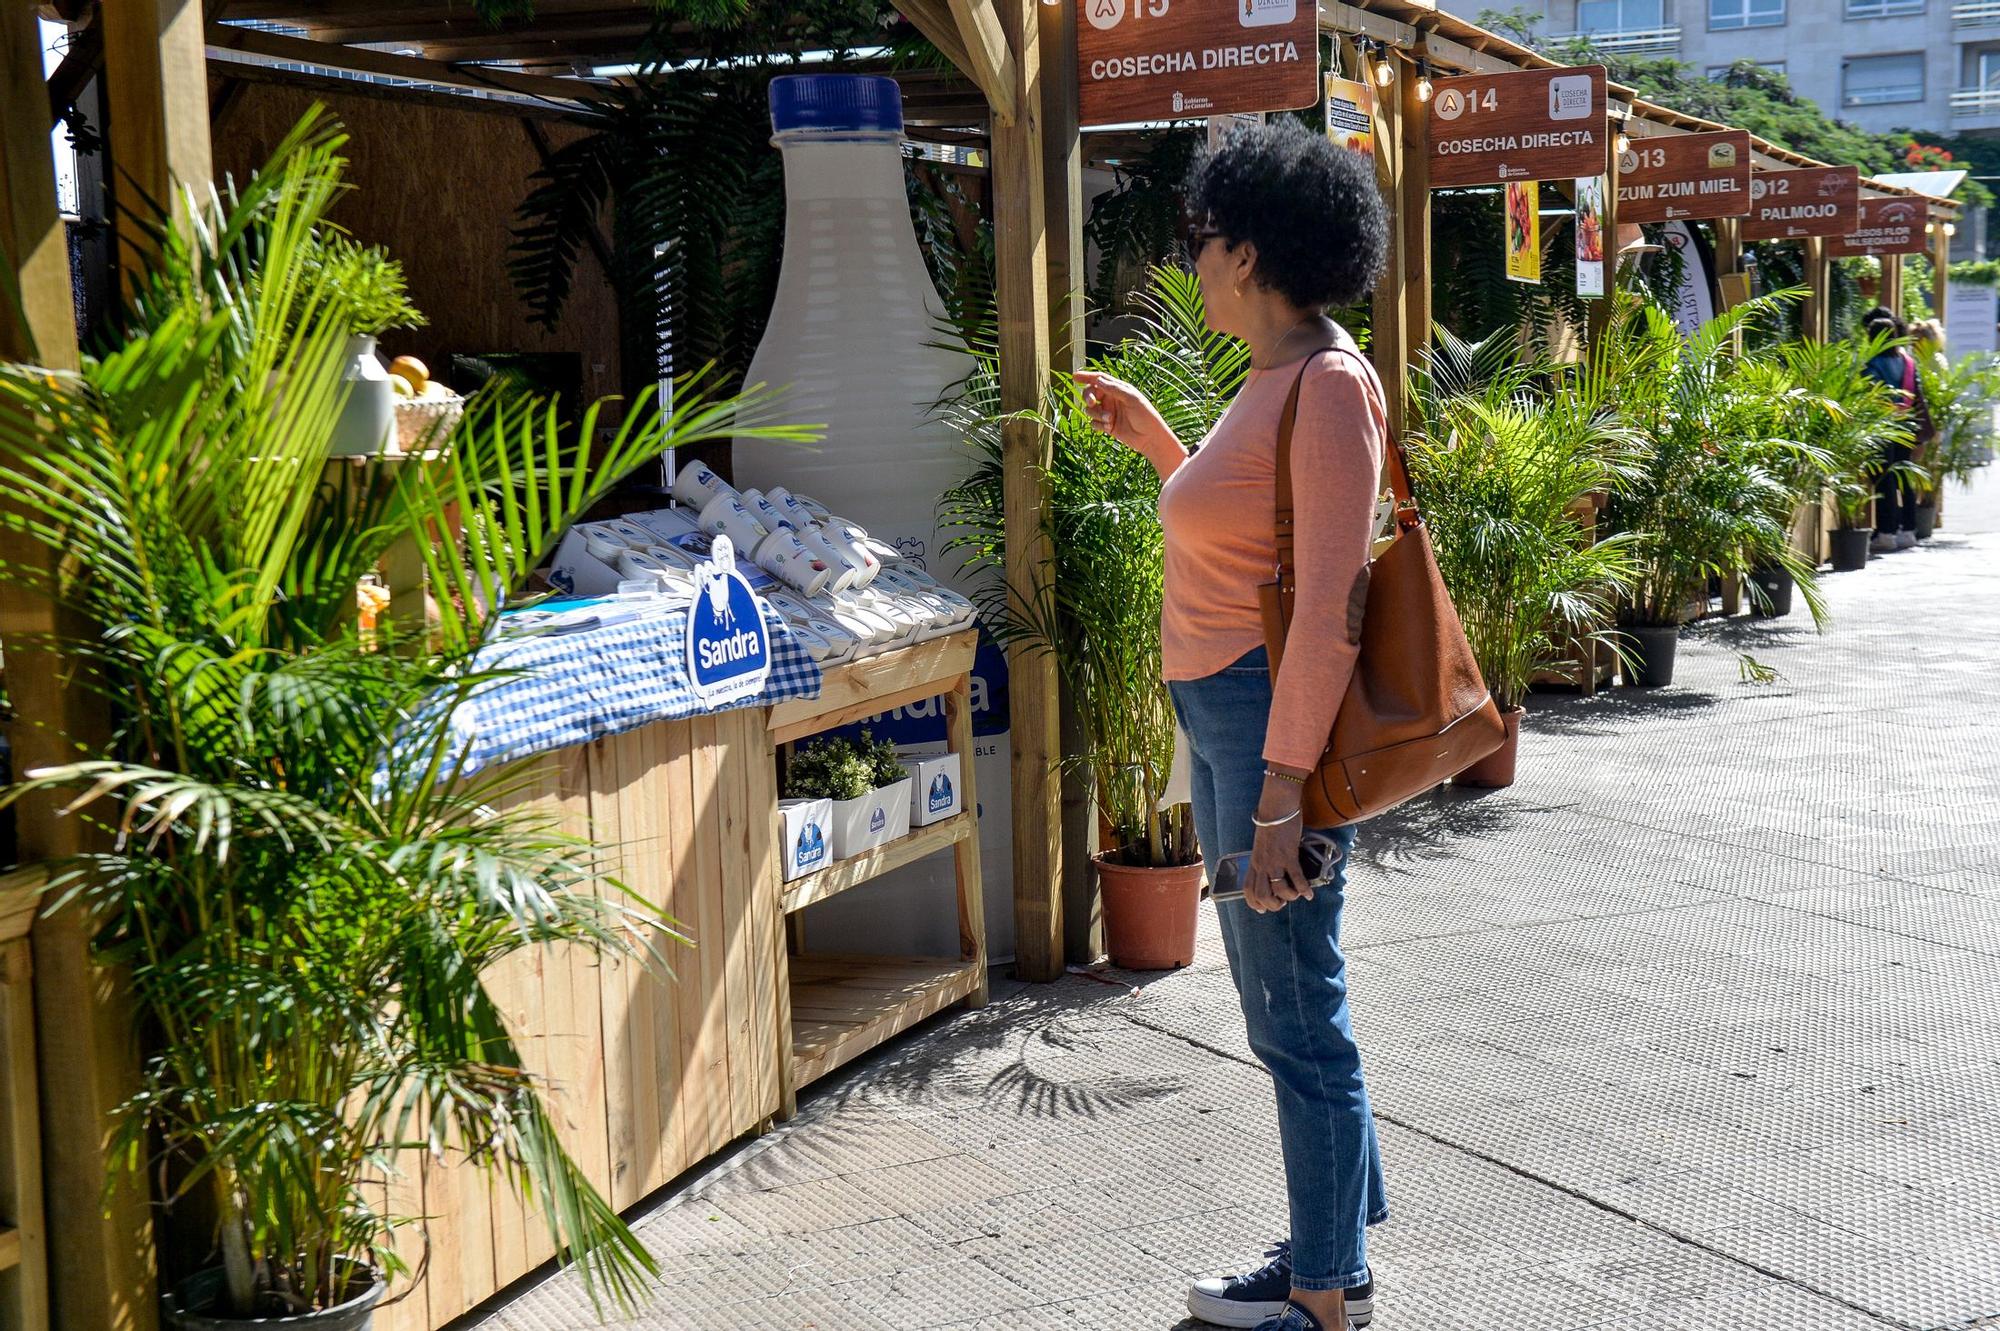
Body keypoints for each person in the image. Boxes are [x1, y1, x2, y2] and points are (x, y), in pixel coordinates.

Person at [1075, 120, 1390, 1331]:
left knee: (1293, 1012)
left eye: (1199, 241)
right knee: (1289, 998)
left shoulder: (1327, 383)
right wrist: (1157, 436)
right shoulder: (1270, 379)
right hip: (1225, 713)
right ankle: (1336, 1236)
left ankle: (1322, 1295)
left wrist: (1278, 800)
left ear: (1248, 252)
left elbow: (1327, 608)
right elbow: (1238, 535)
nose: (1190, 261)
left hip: (1268, 727)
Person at [1859, 306, 1926, 552]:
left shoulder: (1872, 363)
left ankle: (1885, 532)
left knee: (1883, 479)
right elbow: (1917, 392)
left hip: (1883, 427)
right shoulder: (1908, 362)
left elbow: (1871, 392)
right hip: (1906, 425)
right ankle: (1908, 529)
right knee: (1903, 475)